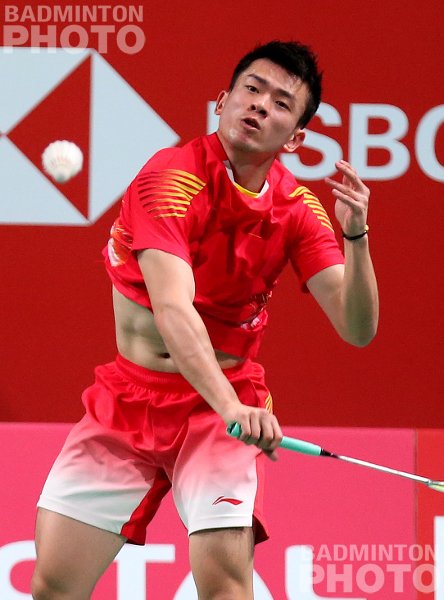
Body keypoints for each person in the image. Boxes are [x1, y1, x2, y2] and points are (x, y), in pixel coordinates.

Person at [31, 40, 378, 600]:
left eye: (281, 103)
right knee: (54, 586)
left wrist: (356, 236)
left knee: (224, 587)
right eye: (252, 89)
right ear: (222, 102)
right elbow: (174, 309)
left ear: (295, 138)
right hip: (135, 400)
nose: (260, 104)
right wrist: (232, 407)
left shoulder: (298, 210)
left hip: (220, 408)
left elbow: (357, 328)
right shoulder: (169, 178)